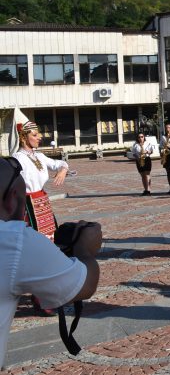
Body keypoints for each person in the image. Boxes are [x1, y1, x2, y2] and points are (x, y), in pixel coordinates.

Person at [1, 156, 102, 369]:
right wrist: (84, 248)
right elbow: (85, 285)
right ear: (12, 200)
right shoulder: (14, 241)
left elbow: (59, 165)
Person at [9, 109, 69, 240]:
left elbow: (59, 164)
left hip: (42, 200)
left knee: (50, 234)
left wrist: (63, 170)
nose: (39, 137)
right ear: (24, 137)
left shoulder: (39, 156)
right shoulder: (17, 158)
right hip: (27, 204)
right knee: (34, 237)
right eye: (35, 135)